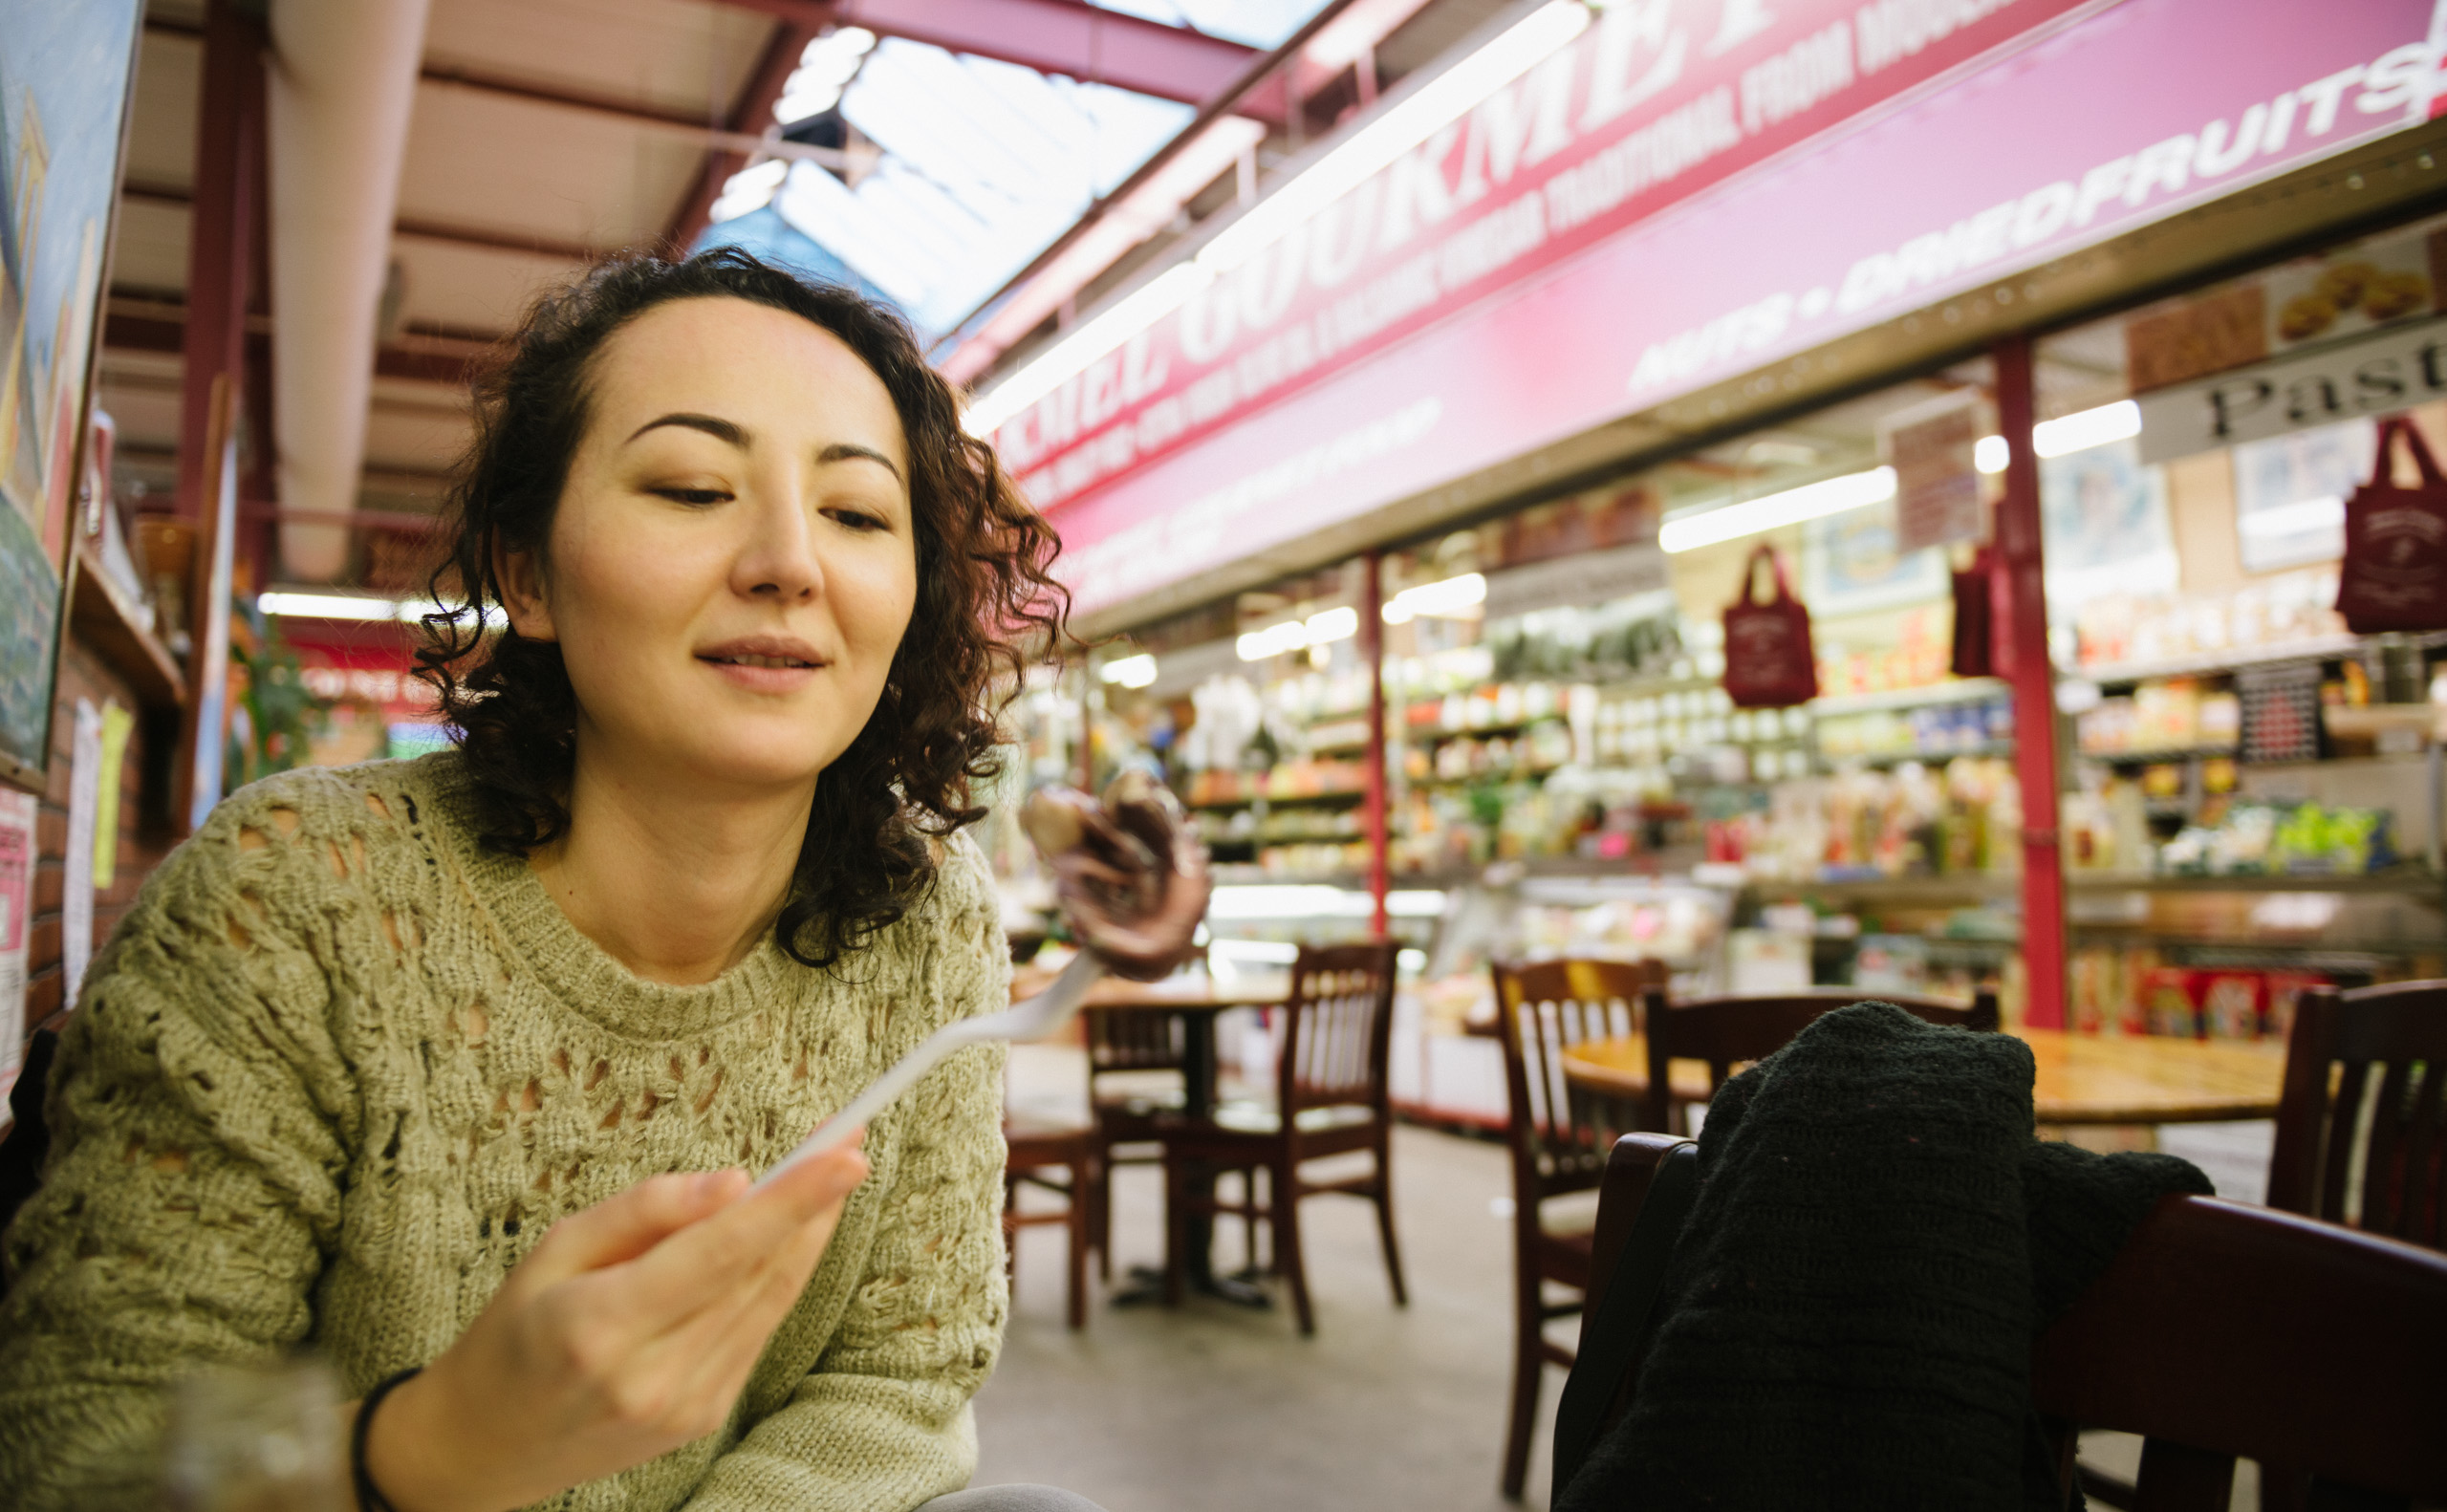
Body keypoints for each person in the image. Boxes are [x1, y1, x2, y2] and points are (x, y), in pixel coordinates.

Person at [0, 249, 1104, 1512]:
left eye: (856, 513)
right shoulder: (296, 900)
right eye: (694, 486)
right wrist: (421, 1448)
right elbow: (97, 1442)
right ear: (527, 571)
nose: (790, 561)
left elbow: (900, 1384)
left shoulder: (929, 916)